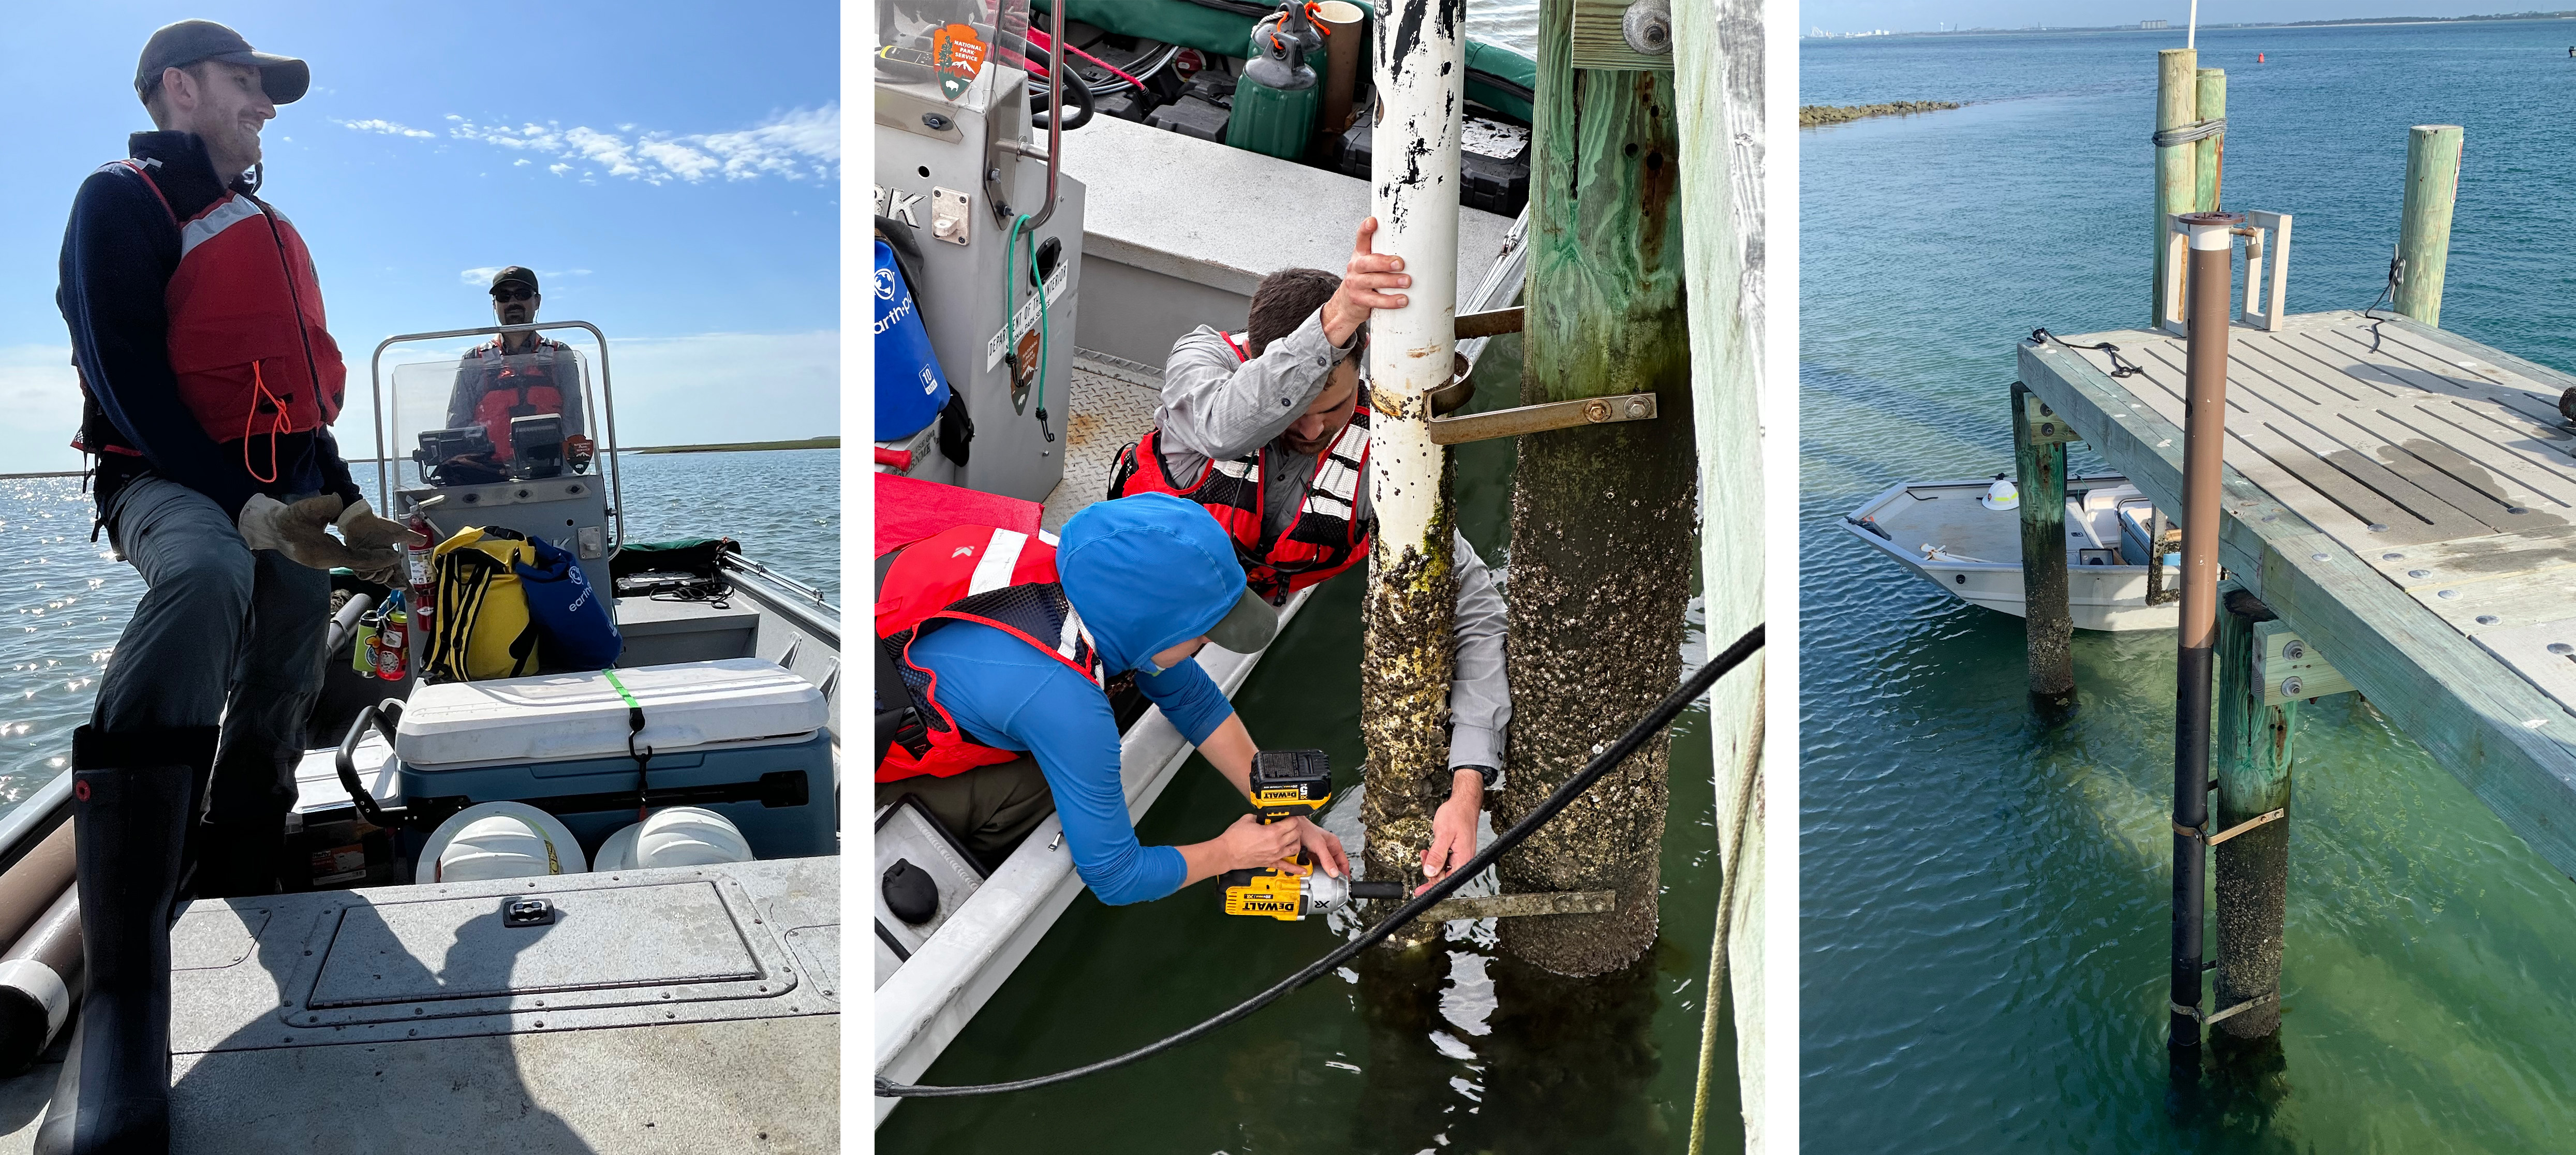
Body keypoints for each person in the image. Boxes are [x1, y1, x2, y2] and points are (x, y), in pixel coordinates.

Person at [51, 20, 410, 1153]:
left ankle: (244, 841)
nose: (266, 102)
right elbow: (124, 371)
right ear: (178, 88)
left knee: (302, 619)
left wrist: (343, 507)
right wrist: (240, 505)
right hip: (161, 479)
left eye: (269, 87)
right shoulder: (119, 200)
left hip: (281, 488)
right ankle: (123, 945)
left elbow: (296, 388)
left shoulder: (263, 220)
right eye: (249, 82)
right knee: (209, 573)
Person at [1108, 217, 1509, 895]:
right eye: (1293, 406)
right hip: (1115, 612)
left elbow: (1474, 613)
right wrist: (1334, 323)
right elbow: (1225, 425)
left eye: (1331, 406)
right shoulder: (1202, 369)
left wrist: (1467, 787)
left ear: (1364, 365)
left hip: (1226, 634)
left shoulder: (1389, 453)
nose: (1308, 428)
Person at [876, 493, 1349, 905]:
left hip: (906, 655)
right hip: (877, 769)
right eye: (1202, 636)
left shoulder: (1086, 570)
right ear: (1146, 627)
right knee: (1050, 781)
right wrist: (1232, 852)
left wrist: (1280, 807)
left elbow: (1195, 701)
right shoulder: (1067, 705)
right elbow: (1115, 876)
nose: (1206, 646)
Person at [440, 265, 586, 478]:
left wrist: (567, 471)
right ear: (495, 305)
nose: (513, 302)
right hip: (490, 476)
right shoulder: (473, 360)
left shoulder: (560, 355)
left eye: (522, 295)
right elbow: (457, 426)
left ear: (537, 301)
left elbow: (574, 420)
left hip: (552, 475)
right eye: (504, 296)